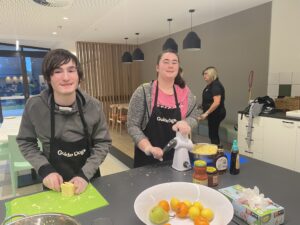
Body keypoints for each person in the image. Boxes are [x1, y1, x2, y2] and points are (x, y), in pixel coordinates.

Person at [16, 49, 111, 194]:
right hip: (53, 183)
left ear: (79, 76)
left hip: (89, 180)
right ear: (48, 78)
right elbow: (26, 142)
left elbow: (102, 143)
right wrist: (45, 170)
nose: (66, 77)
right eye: (58, 71)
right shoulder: (35, 106)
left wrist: (85, 174)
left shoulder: (94, 106)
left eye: (71, 70)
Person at [127, 49, 198, 168]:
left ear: (178, 67)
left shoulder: (185, 93)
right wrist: (148, 147)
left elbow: (194, 117)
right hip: (148, 159)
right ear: (157, 67)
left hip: (179, 157)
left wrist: (186, 123)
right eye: (166, 61)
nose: (170, 65)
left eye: (174, 62)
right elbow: (132, 125)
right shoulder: (144, 92)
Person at [199, 66, 226, 146]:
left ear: (212, 74)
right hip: (213, 113)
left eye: (206, 74)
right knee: (212, 133)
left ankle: (217, 153)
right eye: (203, 74)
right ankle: (216, 150)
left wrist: (206, 113)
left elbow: (217, 102)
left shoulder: (215, 85)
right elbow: (209, 100)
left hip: (217, 113)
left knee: (213, 134)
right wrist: (202, 106)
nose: (204, 76)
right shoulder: (210, 85)